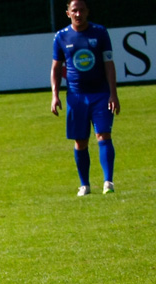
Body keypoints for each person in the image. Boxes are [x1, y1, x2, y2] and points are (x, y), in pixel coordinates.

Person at [50, 0, 120, 196]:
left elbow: (109, 64)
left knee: (103, 135)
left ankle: (108, 182)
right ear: (68, 13)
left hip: (100, 94)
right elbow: (56, 68)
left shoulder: (100, 33)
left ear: (87, 11)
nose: (78, 14)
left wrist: (113, 93)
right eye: (74, 10)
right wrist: (55, 95)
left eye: (81, 10)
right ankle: (85, 185)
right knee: (80, 141)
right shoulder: (61, 37)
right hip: (76, 97)